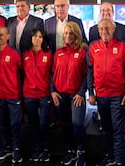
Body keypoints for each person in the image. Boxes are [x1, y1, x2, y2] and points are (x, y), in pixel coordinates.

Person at [88, 18, 125, 166]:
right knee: (106, 128)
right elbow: (89, 71)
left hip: (117, 95)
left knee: (118, 128)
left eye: (107, 28)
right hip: (101, 95)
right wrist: (91, 93)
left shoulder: (122, 47)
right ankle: (109, 156)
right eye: (101, 29)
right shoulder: (93, 47)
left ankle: (119, 160)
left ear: (114, 30)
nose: (104, 31)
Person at [51, 21, 88, 166]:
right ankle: (70, 150)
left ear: (76, 34)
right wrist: (52, 91)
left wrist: (81, 93)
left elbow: (87, 75)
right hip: (60, 94)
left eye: (71, 33)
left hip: (76, 95)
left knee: (77, 123)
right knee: (65, 124)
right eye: (65, 33)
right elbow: (52, 73)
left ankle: (81, 151)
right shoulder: (58, 52)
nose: (68, 36)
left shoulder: (83, 52)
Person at [0, 26, 23, 163]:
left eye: (1, 35)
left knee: (15, 123)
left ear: (8, 36)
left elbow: (22, 71)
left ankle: (17, 149)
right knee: (2, 122)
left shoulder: (15, 53)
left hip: (13, 95)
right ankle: (6, 147)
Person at [22, 28, 52, 162]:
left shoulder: (49, 54)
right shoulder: (25, 55)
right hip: (29, 94)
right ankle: (37, 148)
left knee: (44, 123)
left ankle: (46, 150)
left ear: (43, 39)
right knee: (33, 123)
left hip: (44, 94)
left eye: (40, 37)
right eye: (34, 36)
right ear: (31, 38)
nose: (37, 39)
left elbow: (52, 74)